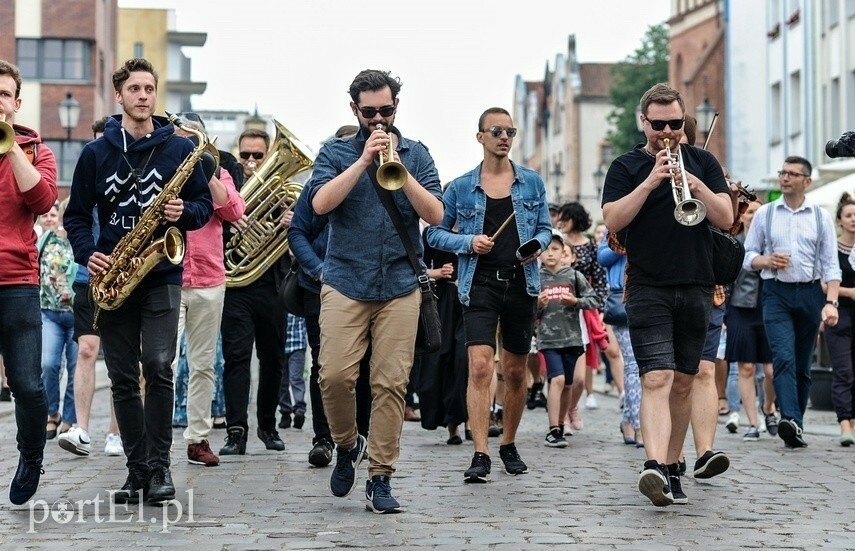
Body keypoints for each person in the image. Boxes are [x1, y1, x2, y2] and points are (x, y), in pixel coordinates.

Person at [64, 57, 213, 504]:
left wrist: (182, 213)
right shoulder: (95, 153)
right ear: (120, 95)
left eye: (149, 88)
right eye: (135, 89)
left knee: (159, 365)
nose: (143, 95)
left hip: (162, 273)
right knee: (125, 377)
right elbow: (75, 215)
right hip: (113, 274)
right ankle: (136, 470)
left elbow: (204, 206)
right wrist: (87, 253)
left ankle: (161, 468)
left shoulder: (180, 150)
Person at [309, 69, 443, 513]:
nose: (379, 119)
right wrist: (364, 161)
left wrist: (401, 172)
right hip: (346, 278)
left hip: (401, 283)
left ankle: (380, 477)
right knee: (334, 376)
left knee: (390, 384)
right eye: (370, 112)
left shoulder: (416, 154)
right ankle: (348, 444)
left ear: (396, 107)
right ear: (355, 111)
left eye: (387, 110)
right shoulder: (334, 152)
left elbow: (437, 215)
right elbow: (320, 205)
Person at [601, 83, 732, 507]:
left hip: (697, 282)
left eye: (675, 123)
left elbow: (727, 217)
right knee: (656, 377)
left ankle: (673, 467)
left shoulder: (703, 161)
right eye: (659, 126)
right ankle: (653, 464)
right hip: (648, 286)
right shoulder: (626, 166)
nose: (668, 133)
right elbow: (612, 220)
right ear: (645, 122)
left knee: (683, 382)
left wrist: (693, 182)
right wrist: (650, 182)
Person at [427, 106, 551, 483]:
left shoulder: (532, 182)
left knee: (515, 372)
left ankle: (508, 442)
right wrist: (468, 242)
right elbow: (434, 233)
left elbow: (545, 227)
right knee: (480, 366)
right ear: (480, 136)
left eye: (510, 131)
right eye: (496, 130)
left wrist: (536, 244)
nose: (504, 137)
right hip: (478, 282)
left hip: (520, 282)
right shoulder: (462, 186)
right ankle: (480, 452)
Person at [742, 156, 840, 448]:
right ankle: (791, 420)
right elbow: (748, 257)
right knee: (783, 357)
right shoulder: (766, 214)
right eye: (782, 173)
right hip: (776, 293)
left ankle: (795, 422)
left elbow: (830, 265)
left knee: (802, 365)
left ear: (806, 181)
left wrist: (831, 302)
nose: (785, 178)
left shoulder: (821, 217)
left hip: (810, 293)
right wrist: (767, 260)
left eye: (792, 174)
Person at [171, 113, 245, 467]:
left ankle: (197, 439)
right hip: (166, 277)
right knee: (160, 363)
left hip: (209, 278)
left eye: (190, 140)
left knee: (203, 365)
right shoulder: (162, 166)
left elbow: (234, 209)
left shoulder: (217, 170)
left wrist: (208, 168)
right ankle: (148, 438)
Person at [0, 59, 58, 505]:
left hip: (17, 280)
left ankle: (31, 454)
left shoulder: (38, 150)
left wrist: (11, 146)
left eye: (3, 95)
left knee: (28, 384)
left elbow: (41, 201)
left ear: (16, 104)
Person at [58, 117, 126, 458]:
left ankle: (116, 432)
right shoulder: (87, 172)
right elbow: (73, 222)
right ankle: (81, 428)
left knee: (120, 357)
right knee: (87, 350)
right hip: (88, 275)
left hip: (126, 278)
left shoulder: (128, 178)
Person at [219, 127, 288, 457]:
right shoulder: (227, 187)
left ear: (268, 156)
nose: (248, 162)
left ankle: (267, 425)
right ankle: (236, 431)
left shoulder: (282, 193)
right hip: (235, 286)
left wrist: (293, 219)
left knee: (273, 359)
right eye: (244, 155)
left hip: (271, 286)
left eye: (257, 156)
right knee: (236, 359)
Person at [537, 232, 600, 448]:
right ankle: (553, 429)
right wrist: (537, 305)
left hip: (572, 339)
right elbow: (525, 311)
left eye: (555, 249)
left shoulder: (574, 277)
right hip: (548, 339)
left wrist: (575, 301)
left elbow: (593, 299)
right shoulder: (537, 278)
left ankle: (561, 425)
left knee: (568, 385)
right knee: (557, 380)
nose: (550, 253)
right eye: (546, 249)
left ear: (564, 252)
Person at [726, 198, 777, 441]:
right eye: (750, 212)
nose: (754, 216)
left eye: (758, 212)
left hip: (770, 306)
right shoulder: (735, 244)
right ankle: (752, 424)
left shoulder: (772, 242)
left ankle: (768, 408)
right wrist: (724, 313)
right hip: (740, 308)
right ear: (743, 216)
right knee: (745, 367)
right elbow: (726, 281)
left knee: (771, 370)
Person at [37, 200, 78, 440]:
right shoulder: (46, 240)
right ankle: (52, 412)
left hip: (75, 314)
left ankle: (70, 419)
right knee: (48, 364)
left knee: (76, 369)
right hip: (49, 313)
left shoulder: (81, 240)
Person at [820, 194, 855, 446]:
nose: (854, 220)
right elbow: (824, 283)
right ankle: (844, 423)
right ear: (840, 221)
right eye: (849, 215)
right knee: (844, 371)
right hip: (838, 314)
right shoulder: (833, 248)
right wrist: (848, 292)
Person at [278, 313, 308, 430]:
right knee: (281, 381)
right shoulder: (278, 300)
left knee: (296, 378)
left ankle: (299, 410)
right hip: (280, 345)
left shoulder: (297, 300)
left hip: (298, 345)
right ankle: (285, 413)